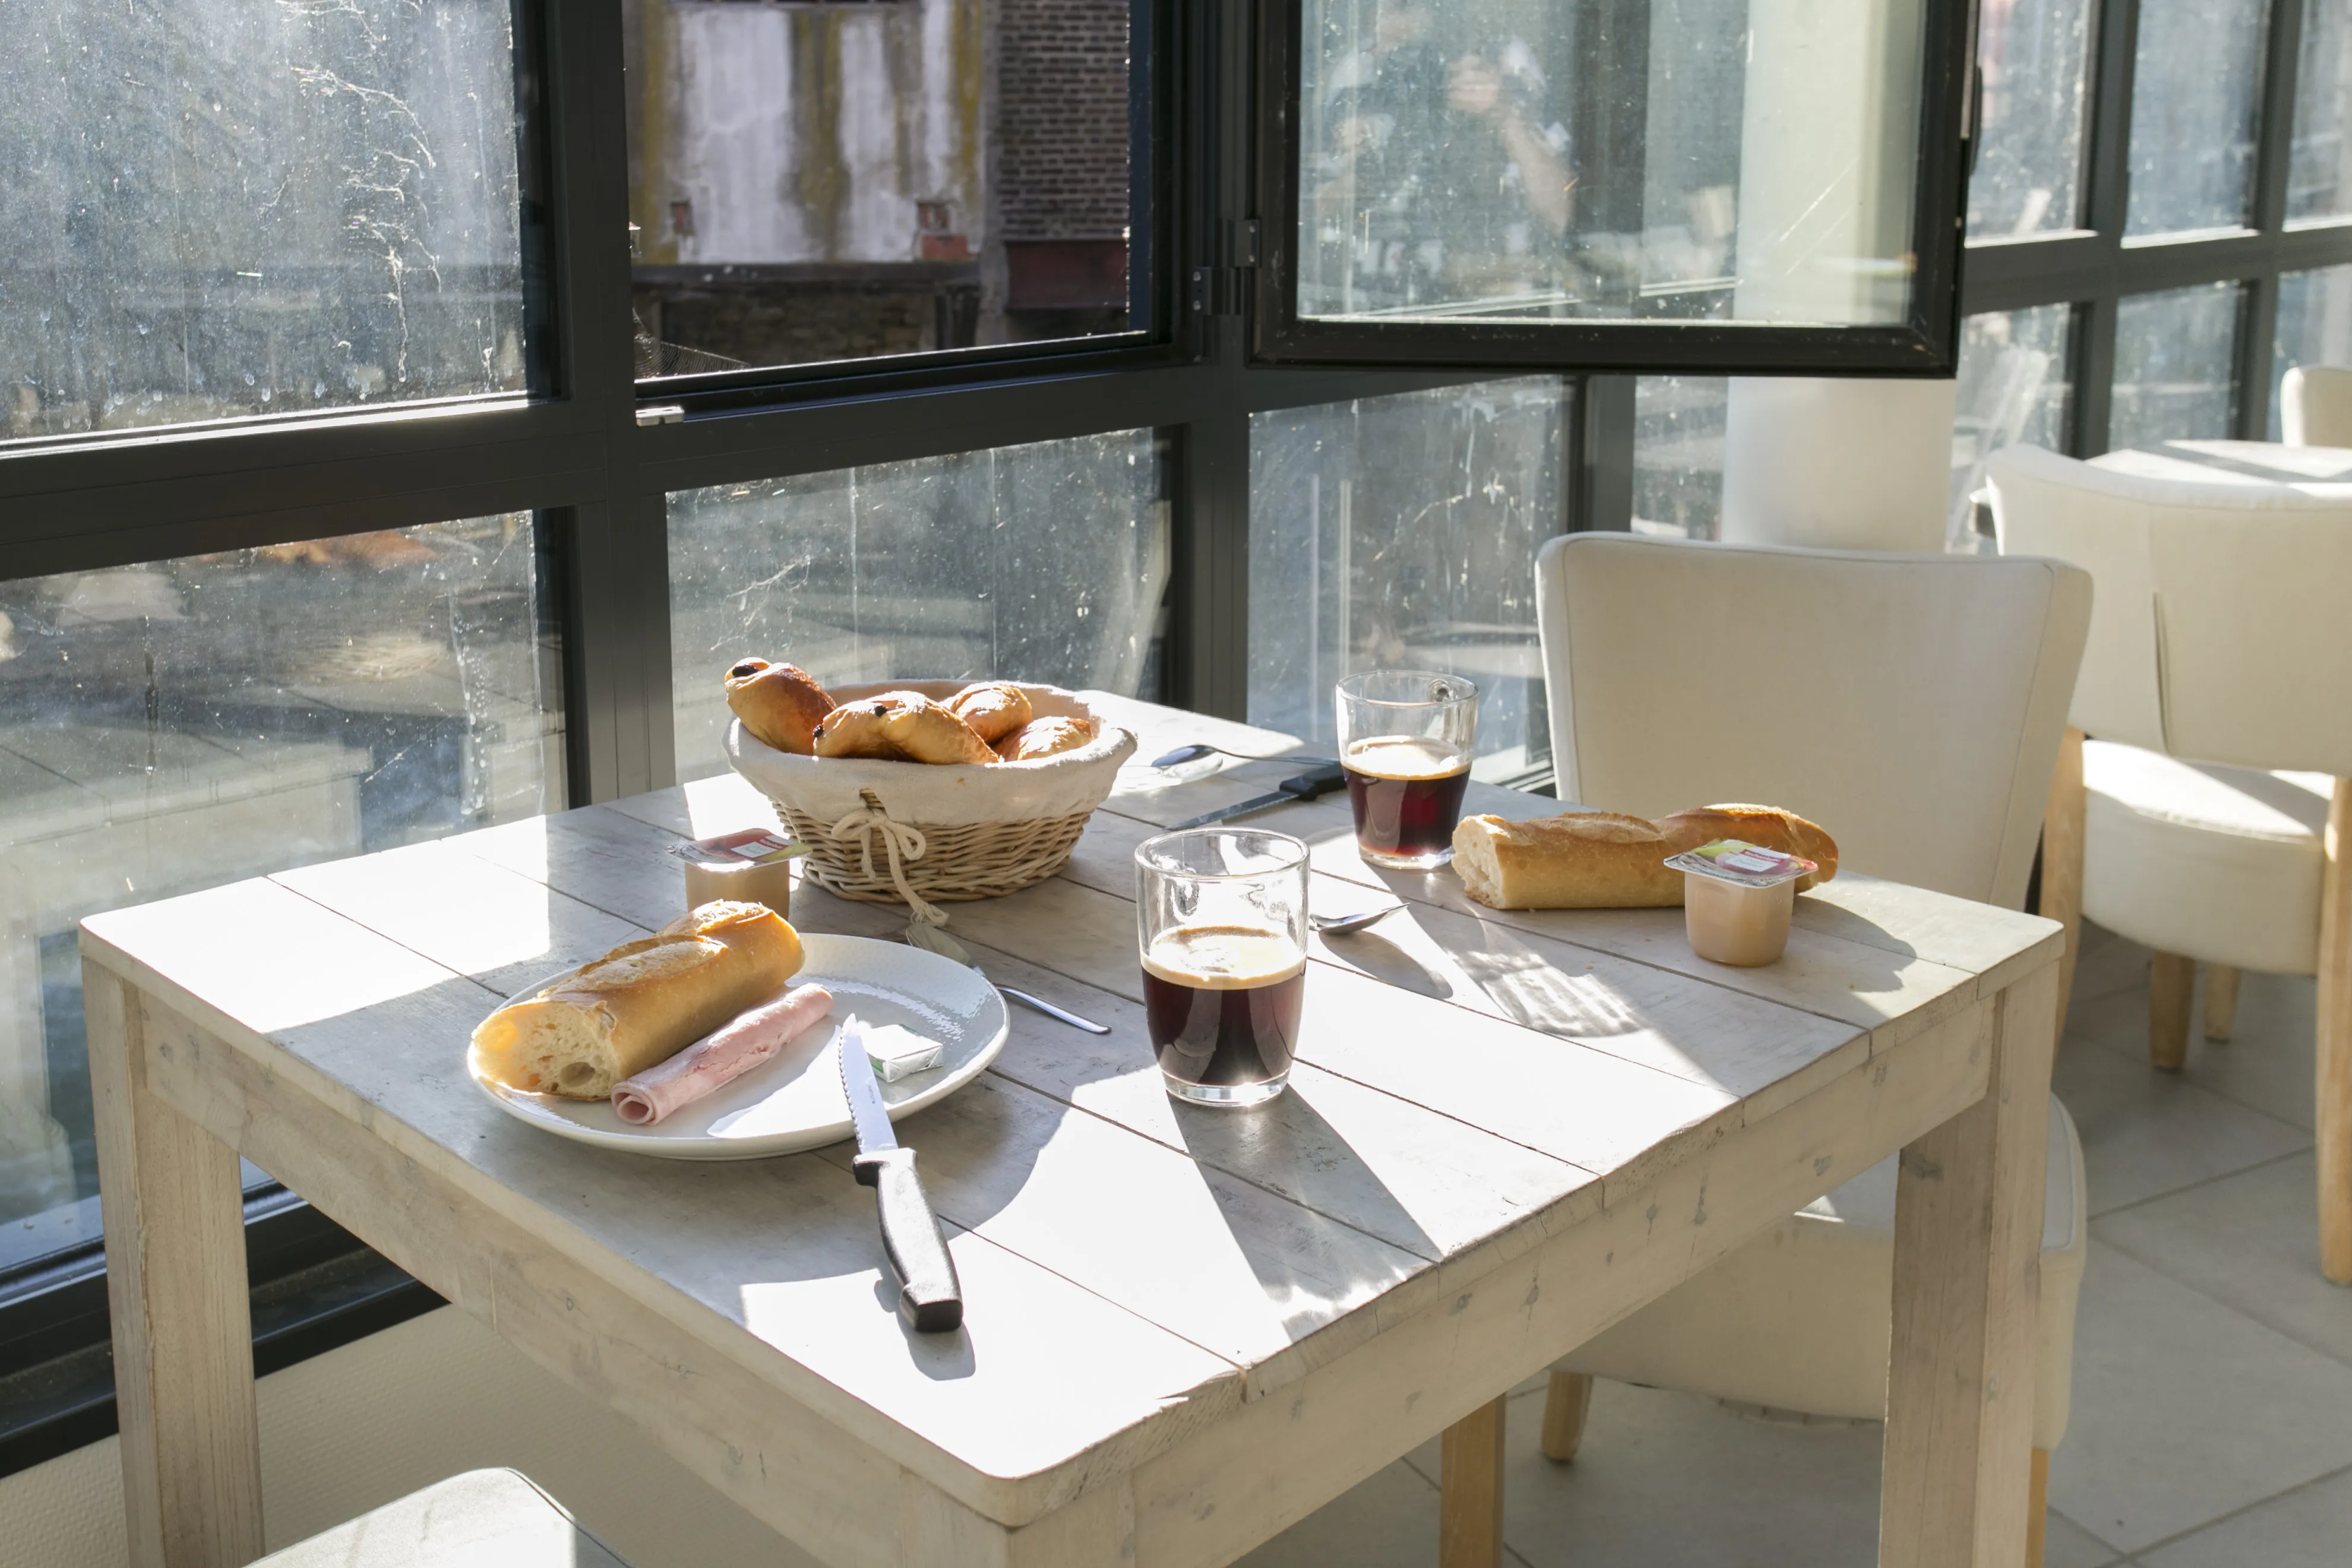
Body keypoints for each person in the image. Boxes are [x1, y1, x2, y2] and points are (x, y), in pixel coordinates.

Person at [1311, 2, 1576, 314]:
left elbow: (1563, 215)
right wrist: (1387, 144)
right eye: (1389, 8)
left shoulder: (1500, 61)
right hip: (1365, 312)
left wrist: (1505, 116)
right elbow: (1302, 221)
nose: (1393, 20)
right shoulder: (1356, 72)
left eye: (1409, 7)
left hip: (1490, 309)